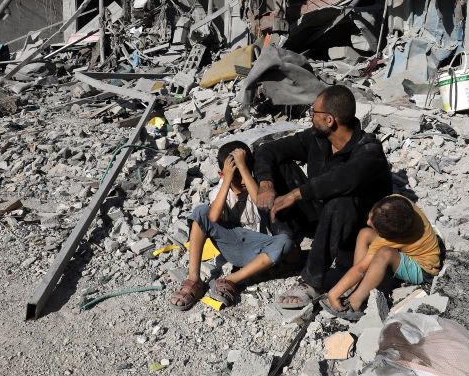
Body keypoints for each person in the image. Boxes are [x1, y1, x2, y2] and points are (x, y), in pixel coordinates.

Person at [252, 85, 392, 309]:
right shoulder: (318, 139)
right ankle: (288, 244)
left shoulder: (369, 150)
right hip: (321, 216)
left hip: (355, 229)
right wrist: (266, 183)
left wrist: (296, 194)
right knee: (278, 165)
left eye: (313, 113)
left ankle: (311, 281)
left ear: (329, 120)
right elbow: (267, 150)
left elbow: (344, 179)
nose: (310, 117)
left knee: (341, 200)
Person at [168, 141, 292, 310]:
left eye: (245, 173)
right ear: (223, 175)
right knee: (201, 211)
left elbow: (259, 201)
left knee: (285, 241)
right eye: (236, 176)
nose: (241, 181)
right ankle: (194, 280)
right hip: (232, 246)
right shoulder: (219, 191)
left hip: (258, 252)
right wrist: (227, 180)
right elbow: (212, 217)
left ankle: (231, 280)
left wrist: (242, 167)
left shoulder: (255, 186)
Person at [321, 195, 440, 320]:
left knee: (384, 253)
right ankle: (355, 285)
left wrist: (334, 293)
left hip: (423, 269)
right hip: (410, 248)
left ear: (386, 237)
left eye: (374, 226)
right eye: (371, 216)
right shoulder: (398, 202)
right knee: (364, 233)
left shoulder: (388, 240)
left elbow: (361, 269)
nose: (368, 222)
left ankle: (356, 301)